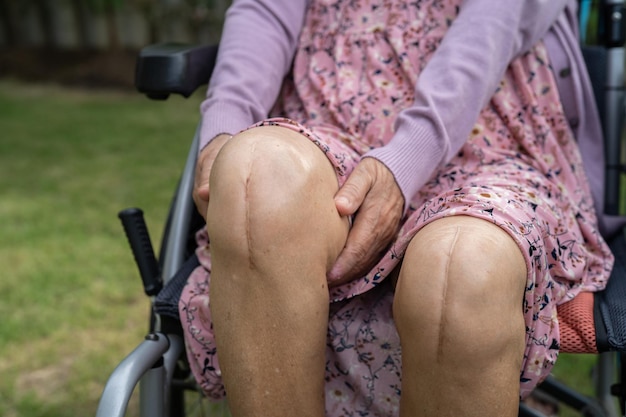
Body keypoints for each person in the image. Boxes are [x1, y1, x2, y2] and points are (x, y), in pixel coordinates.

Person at [177, 0, 616, 415]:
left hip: (487, 137)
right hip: (326, 115)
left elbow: (492, 24)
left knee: (466, 263)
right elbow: (265, 11)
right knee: (260, 176)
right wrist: (226, 122)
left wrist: (406, 158)